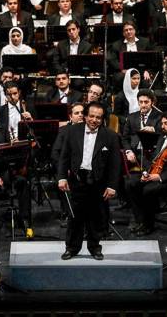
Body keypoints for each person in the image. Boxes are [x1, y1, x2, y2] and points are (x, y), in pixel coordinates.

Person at [58, 101, 120, 260]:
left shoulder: (110, 136)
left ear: (102, 119)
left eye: (98, 117)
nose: (94, 120)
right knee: (75, 217)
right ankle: (72, 248)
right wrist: (62, 177)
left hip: (98, 181)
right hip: (77, 179)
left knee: (96, 216)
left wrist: (112, 186)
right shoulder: (72, 131)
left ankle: (95, 247)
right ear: (85, 116)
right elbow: (64, 156)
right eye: (91, 116)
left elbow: (115, 164)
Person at [127, 111, 167, 236]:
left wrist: (160, 177)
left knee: (148, 190)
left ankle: (148, 225)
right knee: (130, 183)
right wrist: (146, 172)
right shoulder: (162, 137)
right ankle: (140, 220)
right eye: (162, 123)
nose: (163, 126)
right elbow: (153, 159)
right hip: (155, 173)